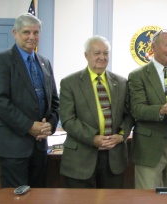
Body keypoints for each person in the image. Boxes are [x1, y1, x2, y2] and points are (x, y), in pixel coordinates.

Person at [0, 13, 59, 188]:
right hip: (13, 146)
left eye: (36, 33)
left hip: (40, 146)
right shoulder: (1, 60)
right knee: (15, 198)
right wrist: (29, 126)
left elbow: (54, 101)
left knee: (38, 196)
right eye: (26, 32)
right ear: (15, 33)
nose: (31, 37)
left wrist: (50, 124)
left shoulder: (44, 62)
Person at [59, 35, 134, 188]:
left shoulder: (121, 82)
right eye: (97, 53)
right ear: (86, 55)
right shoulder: (70, 83)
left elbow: (129, 115)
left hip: (113, 158)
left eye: (105, 53)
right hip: (80, 158)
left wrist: (121, 136)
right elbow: (68, 119)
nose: (102, 57)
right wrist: (92, 138)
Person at [128, 29, 167, 189]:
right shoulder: (138, 75)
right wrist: (162, 109)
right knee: (146, 198)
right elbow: (136, 109)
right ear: (153, 48)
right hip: (150, 146)